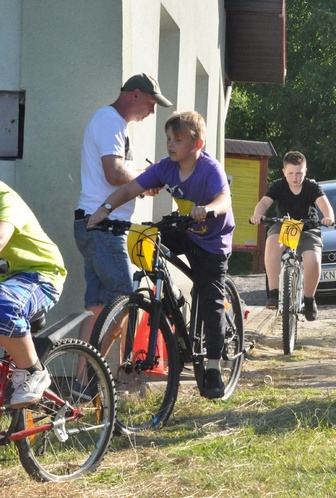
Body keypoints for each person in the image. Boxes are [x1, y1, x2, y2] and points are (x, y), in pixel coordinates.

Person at [87, 111, 234, 399]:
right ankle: (165, 300)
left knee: (210, 297)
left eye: (177, 140)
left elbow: (224, 199)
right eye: (168, 138)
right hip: (185, 229)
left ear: (197, 143)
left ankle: (214, 365)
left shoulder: (209, 168)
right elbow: (131, 188)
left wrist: (209, 209)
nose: (170, 144)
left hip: (213, 240)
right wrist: (104, 210)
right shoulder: (166, 167)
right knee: (149, 240)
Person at [74, 73, 172, 348]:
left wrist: (141, 183)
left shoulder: (111, 121)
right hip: (104, 226)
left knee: (96, 307)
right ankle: (95, 378)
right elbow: (115, 173)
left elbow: (118, 177)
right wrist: (146, 177)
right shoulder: (110, 121)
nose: (152, 112)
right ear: (136, 94)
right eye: (151, 104)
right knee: (127, 301)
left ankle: (82, 385)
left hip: (92, 225)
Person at [0, 182, 66, 408]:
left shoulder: (6, 198)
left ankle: (33, 372)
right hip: (8, 279)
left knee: (2, 304)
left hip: (41, 275)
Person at [251, 151, 335, 320]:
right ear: (284, 172)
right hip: (284, 224)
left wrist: (329, 217)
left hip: (308, 228)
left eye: (299, 173)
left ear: (306, 171)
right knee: (272, 244)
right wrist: (257, 215)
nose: (295, 178)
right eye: (290, 173)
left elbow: (325, 206)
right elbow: (264, 203)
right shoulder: (278, 185)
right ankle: (274, 293)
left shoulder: (312, 186)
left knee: (313, 260)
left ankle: (309, 299)